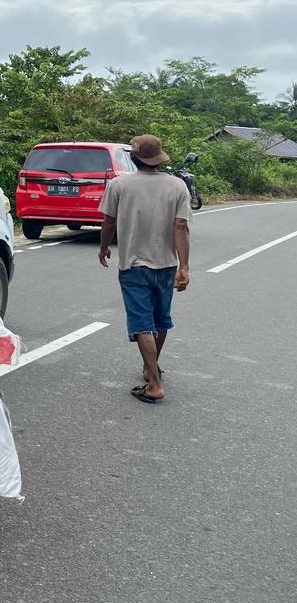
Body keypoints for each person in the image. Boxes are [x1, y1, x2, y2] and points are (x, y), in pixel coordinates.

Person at [98, 134, 191, 404]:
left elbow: (108, 222)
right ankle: (151, 368)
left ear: (134, 157)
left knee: (141, 324)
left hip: (133, 264)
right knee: (159, 320)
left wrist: (104, 247)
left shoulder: (119, 185)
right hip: (166, 264)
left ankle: (155, 384)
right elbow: (181, 227)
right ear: (159, 157)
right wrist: (184, 266)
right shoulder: (178, 186)